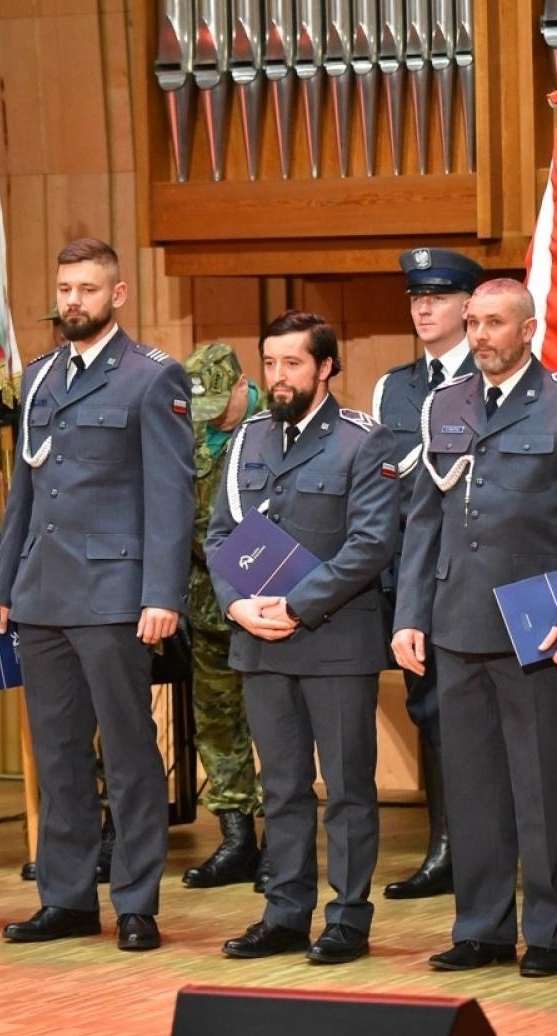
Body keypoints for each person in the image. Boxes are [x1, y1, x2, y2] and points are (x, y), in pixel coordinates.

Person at [392, 277, 557, 977]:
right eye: (474, 323)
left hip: (534, 623)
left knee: (539, 785)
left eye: (494, 323)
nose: (481, 335)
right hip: (454, 620)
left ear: (527, 330)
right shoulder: (445, 403)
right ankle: (482, 927)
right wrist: (409, 615)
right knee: (471, 785)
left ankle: (545, 932)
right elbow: (423, 520)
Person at [0, 238, 194, 952]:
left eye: (87, 289)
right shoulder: (40, 376)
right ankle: (67, 898)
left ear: (118, 295)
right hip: (43, 594)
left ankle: (136, 901)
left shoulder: (151, 376)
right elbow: (25, 491)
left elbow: (171, 496)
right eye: (65, 289)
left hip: (114, 594)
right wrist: (3, 584)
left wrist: (161, 594)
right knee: (58, 754)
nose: (73, 301)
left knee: (129, 755)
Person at [206, 312, 397, 964]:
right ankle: (285, 913)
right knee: (282, 789)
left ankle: (347, 919)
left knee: (346, 789)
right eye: (270, 363)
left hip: (335, 642)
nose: (279, 376)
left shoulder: (362, 440)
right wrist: (236, 605)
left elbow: (371, 543)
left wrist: (296, 604)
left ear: (325, 367)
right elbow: (220, 535)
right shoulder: (249, 438)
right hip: (260, 643)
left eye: (293, 363)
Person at [370, 247, 481, 900]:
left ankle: (487, 848)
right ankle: (447, 847)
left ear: (469, 306)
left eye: (437, 297)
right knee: (430, 708)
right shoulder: (394, 387)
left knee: (485, 715)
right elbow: (387, 485)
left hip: (476, 571)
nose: (424, 307)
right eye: (416, 298)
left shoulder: (494, 375)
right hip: (414, 572)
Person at [180, 341, 265, 889]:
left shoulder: (276, 423)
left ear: (241, 385)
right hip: (209, 603)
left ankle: (283, 842)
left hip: (271, 602)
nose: (210, 418)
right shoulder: (186, 430)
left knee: (278, 727)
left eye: (218, 405)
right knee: (216, 724)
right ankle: (237, 840)